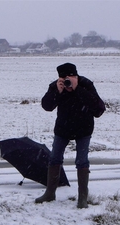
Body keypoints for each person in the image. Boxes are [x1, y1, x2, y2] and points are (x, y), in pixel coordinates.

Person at [35, 62, 105, 208]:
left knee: (82, 161)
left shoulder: (85, 85)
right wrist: (57, 92)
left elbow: (99, 109)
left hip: (83, 129)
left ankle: (82, 198)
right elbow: (47, 106)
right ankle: (50, 193)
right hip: (63, 129)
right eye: (63, 78)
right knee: (54, 158)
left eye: (70, 78)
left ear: (75, 76)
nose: (67, 82)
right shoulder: (56, 86)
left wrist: (77, 88)